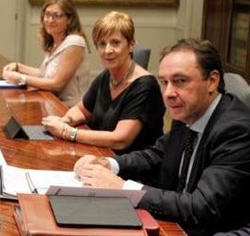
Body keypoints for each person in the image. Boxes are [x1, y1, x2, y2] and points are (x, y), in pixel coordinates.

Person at [73, 39, 250, 236]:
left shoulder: (236, 130)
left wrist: (124, 187)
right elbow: (155, 155)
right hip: (173, 223)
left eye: (180, 81)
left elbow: (201, 206)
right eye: (164, 82)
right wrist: (108, 164)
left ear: (212, 81)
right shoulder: (188, 111)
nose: (168, 93)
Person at [43, 11, 164, 153]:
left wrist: (67, 132)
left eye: (115, 43)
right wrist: (65, 121)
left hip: (130, 167)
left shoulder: (145, 85)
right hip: (101, 155)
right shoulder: (106, 76)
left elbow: (120, 140)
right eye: (102, 44)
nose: (108, 50)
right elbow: (82, 110)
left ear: (131, 45)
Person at [2, 0, 89, 107]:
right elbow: (45, 74)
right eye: (47, 14)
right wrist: (19, 67)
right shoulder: (54, 42)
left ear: (69, 19)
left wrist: (21, 78)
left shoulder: (74, 42)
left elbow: (57, 84)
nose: (50, 20)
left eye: (57, 16)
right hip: (51, 103)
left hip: (71, 108)